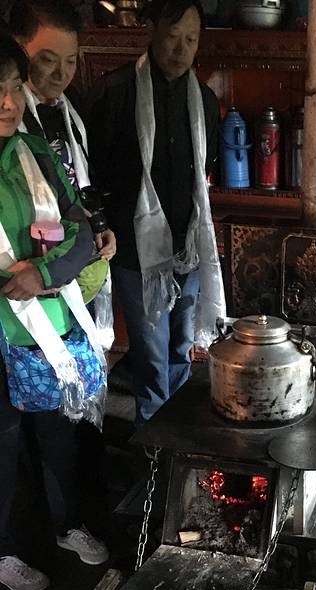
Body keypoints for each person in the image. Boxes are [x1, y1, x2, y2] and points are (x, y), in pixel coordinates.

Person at [0, 33, 109, 590]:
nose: (8, 102)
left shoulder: (34, 151)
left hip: (45, 322)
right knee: (3, 442)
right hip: (2, 329)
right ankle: (5, 550)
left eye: (13, 87)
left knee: (57, 435)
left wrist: (41, 274)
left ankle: (67, 525)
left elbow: (80, 233)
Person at [87, 0, 225, 424]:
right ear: (153, 32)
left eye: (191, 39)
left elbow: (206, 171)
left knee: (181, 344)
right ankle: (152, 435)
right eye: (173, 37)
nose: (181, 50)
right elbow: (93, 170)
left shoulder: (204, 99)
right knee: (150, 350)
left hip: (188, 244)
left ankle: (175, 428)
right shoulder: (116, 91)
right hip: (135, 248)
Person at [10, 0, 116, 350]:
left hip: (74, 265)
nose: (61, 74)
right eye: (47, 60)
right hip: (31, 281)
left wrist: (100, 225)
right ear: (17, 50)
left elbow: (79, 182)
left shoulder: (71, 108)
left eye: (70, 61)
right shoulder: (11, 126)